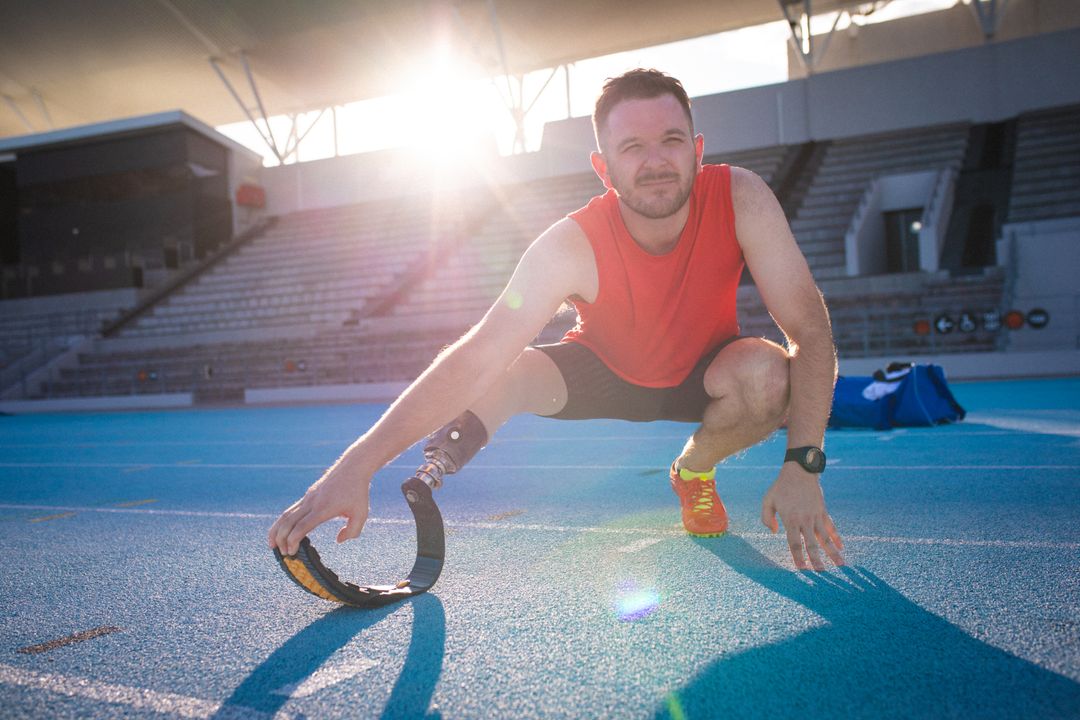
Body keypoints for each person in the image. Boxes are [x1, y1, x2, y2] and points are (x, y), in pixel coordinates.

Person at [269, 69, 844, 571]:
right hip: (605, 370)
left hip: (706, 372)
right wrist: (355, 467)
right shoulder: (569, 245)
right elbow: (478, 355)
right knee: (506, 367)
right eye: (632, 147)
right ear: (603, 166)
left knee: (772, 374)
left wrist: (803, 467)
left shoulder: (741, 197)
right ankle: (439, 463)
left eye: (670, 141)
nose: (655, 161)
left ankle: (693, 471)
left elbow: (809, 330)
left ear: (696, 150)